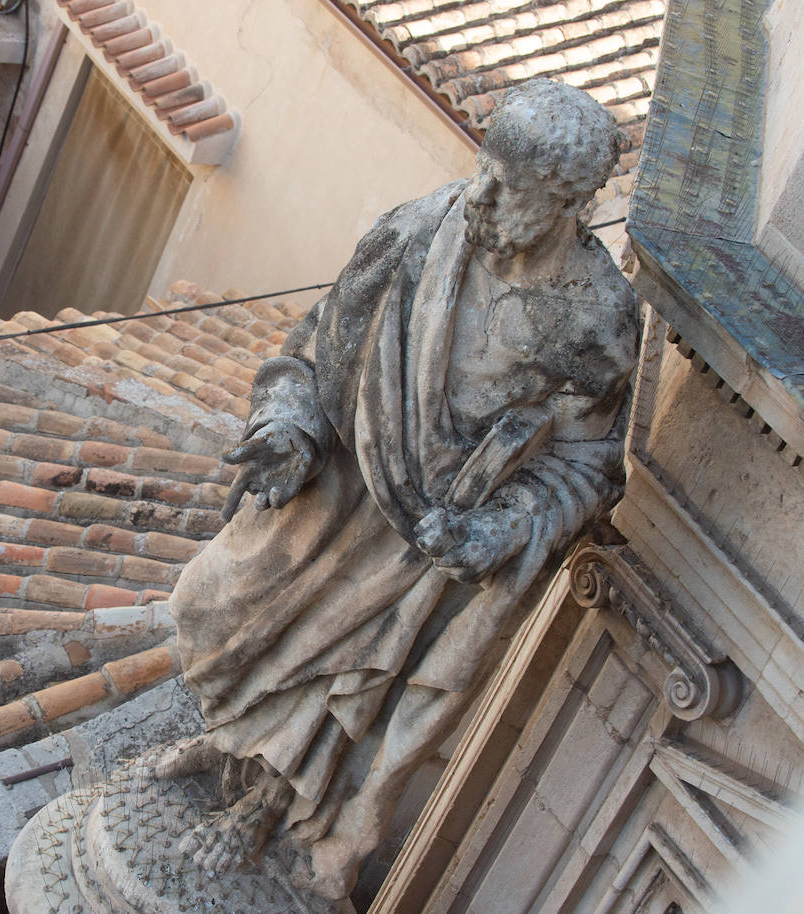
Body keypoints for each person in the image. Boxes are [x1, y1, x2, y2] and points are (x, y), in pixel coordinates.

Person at [153, 79, 640, 901]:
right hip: (342, 482)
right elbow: (317, 345)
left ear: (565, 202)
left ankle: (270, 803)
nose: (480, 192)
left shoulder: (593, 316)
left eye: (508, 184)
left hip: (428, 544)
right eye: (485, 165)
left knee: (347, 680)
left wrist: (502, 530)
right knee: (211, 604)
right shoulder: (421, 231)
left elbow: (591, 463)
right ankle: (229, 735)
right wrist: (290, 425)